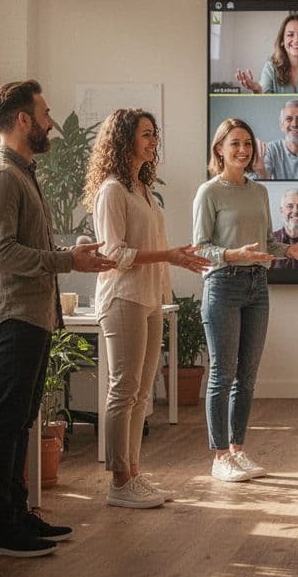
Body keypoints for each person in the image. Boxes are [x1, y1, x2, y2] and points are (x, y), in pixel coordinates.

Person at [0, 79, 116, 557]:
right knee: (8, 421)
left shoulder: (22, 172)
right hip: (10, 315)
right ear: (23, 120)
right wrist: (66, 260)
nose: (52, 121)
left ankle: (15, 514)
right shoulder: (0, 177)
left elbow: (21, 248)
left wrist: (68, 258)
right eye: (45, 113)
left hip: (30, 314)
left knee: (22, 418)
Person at [85, 108, 209, 509]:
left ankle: (133, 473)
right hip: (122, 297)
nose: (153, 141)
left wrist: (172, 263)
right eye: (145, 134)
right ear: (124, 139)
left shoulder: (143, 190)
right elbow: (114, 253)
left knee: (142, 393)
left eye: (155, 134)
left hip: (151, 298)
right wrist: (170, 256)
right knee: (123, 389)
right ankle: (118, 481)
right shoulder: (112, 191)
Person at [193, 118, 298, 483]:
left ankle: (237, 450)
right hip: (223, 285)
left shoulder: (259, 192)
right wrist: (233, 255)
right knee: (222, 374)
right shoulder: (209, 192)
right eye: (234, 144)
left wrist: (291, 249)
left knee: (247, 377)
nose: (243, 150)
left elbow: (267, 243)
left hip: (257, 286)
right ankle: (219, 456)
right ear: (219, 149)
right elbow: (200, 248)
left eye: (247, 144)